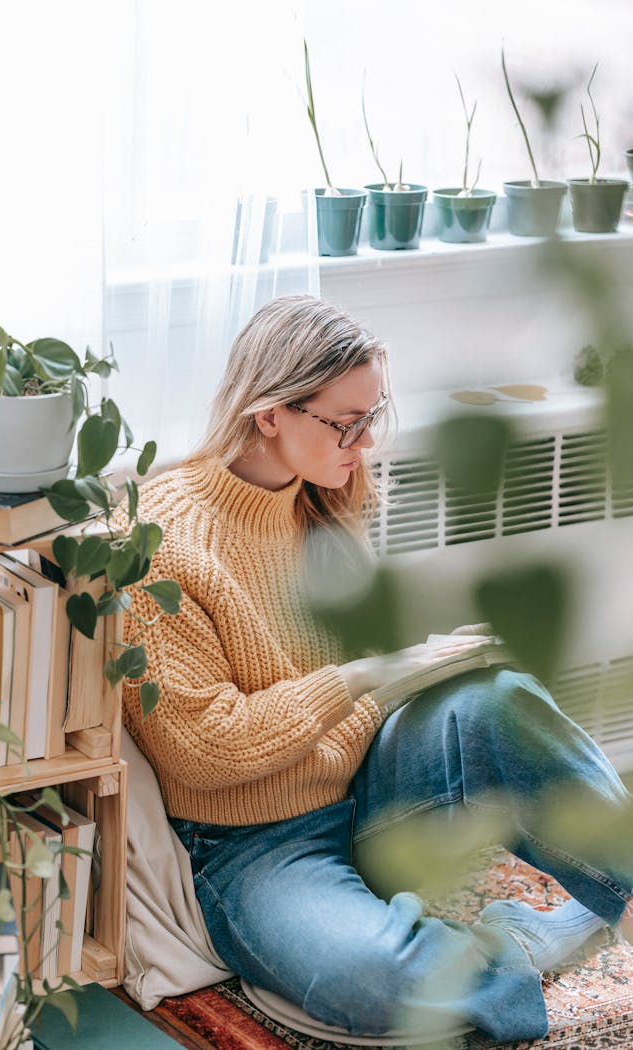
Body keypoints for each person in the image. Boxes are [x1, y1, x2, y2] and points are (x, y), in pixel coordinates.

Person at [122, 294, 633, 1044]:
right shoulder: (160, 542)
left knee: (498, 699)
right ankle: (520, 943)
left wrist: (419, 671)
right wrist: (370, 677)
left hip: (370, 784)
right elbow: (206, 751)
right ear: (270, 414)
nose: (363, 443)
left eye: (373, 417)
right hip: (255, 843)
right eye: (345, 422)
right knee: (380, 983)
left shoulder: (326, 504)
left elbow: (368, 688)